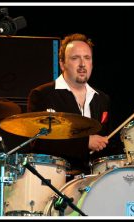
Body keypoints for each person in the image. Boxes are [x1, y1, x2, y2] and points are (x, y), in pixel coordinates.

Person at [27, 33, 123, 175]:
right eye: (75, 58)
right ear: (62, 64)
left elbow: (107, 142)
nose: (82, 64)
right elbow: (40, 142)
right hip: (56, 179)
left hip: (93, 180)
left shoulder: (102, 99)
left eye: (87, 58)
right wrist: (85, 143)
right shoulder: (42, 95)